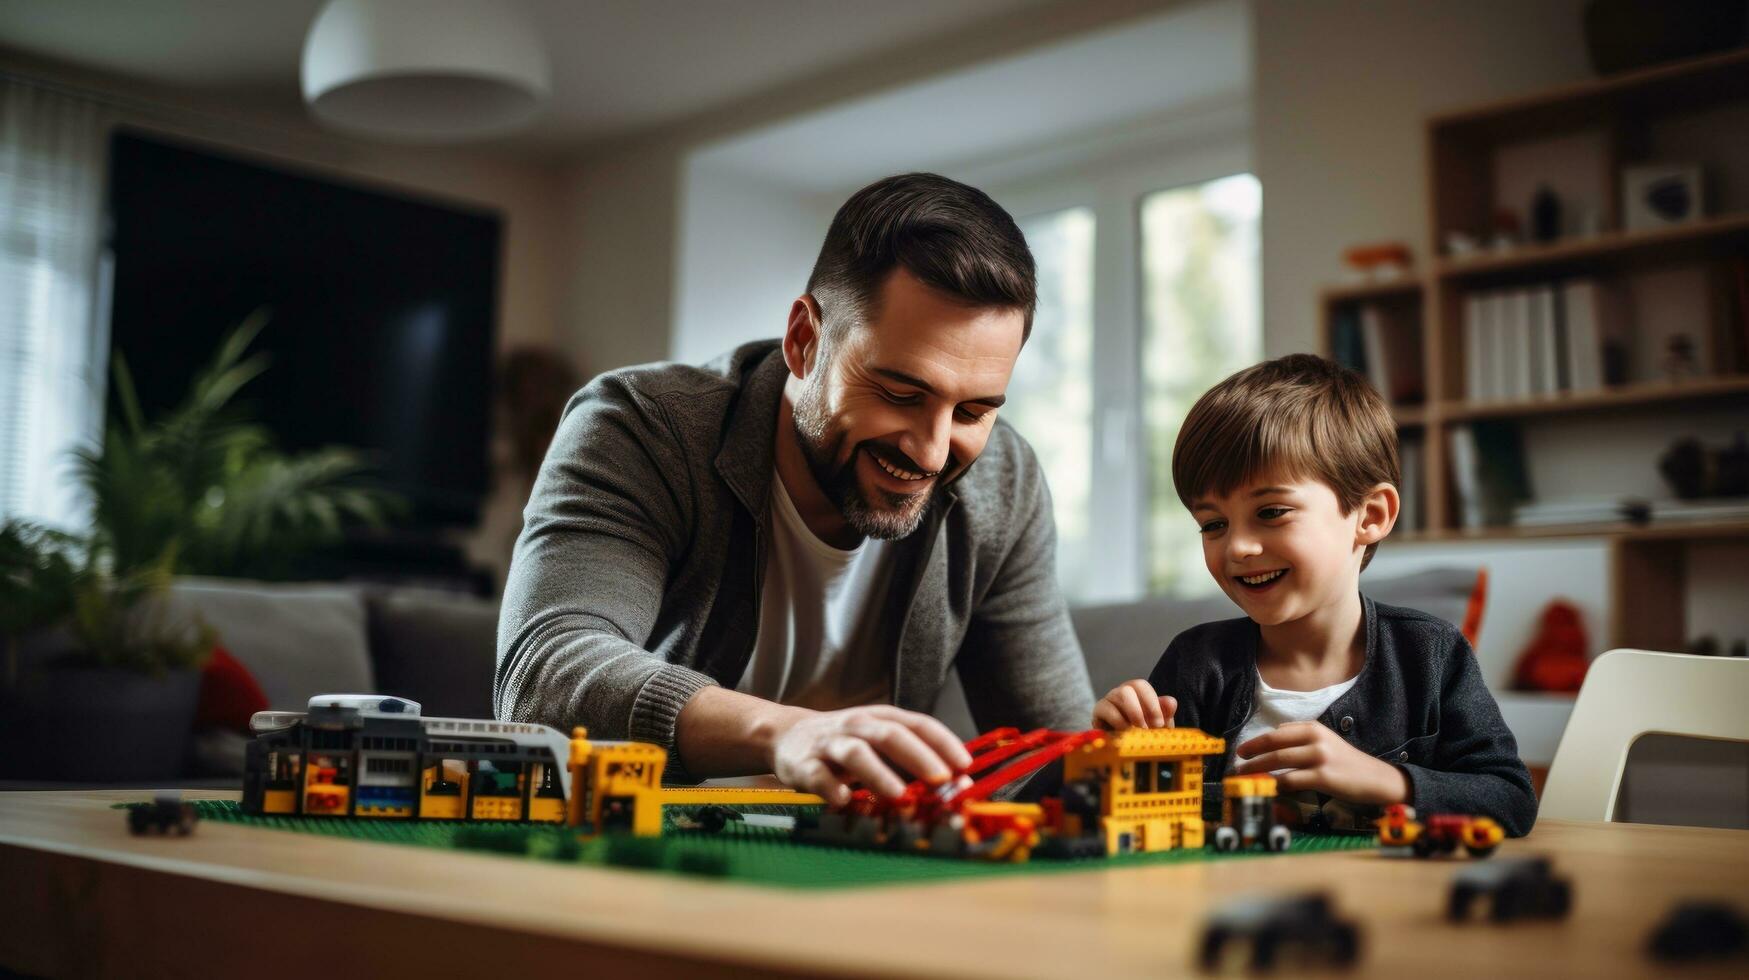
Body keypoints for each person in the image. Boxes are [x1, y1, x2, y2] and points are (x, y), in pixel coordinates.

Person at [496, 173, 1093, 805]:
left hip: (863, 869)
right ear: (805, 340)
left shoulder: (1004, 482)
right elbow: (544, 676)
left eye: (972, 412)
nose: (932, 450)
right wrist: (790, 734)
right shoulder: (643, 426)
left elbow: (1058, 747)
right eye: (899, 394)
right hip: (652, 850)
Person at [1091, 355, 1536, 835]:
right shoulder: (1197, 662)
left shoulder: (1430, 654)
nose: (1238, 546)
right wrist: (1117, 754)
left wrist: (1388, 780)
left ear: (1370, 516)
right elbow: (1139, 811)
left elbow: (1510, 799)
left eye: (1272, 512)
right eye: (1213, 524)